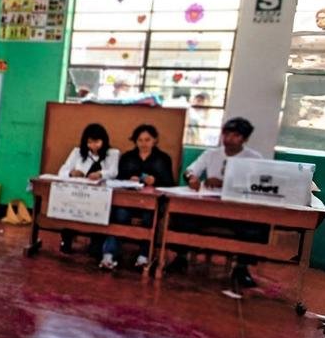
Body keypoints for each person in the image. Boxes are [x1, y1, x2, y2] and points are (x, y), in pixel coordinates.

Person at [179, 116, 265, 287]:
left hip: (238, 211)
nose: (228, 139)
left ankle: (242, 268)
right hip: (209, 208)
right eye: (226, 134)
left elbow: (257, 186)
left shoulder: (254, 158)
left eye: (235, 136)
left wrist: (225, 183)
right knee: (182, 219)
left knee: (254, 229)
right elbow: (190, 170)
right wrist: (192, 178)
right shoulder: (211, 154)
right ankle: (180, 258)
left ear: (245, 139)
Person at [99, 124, 175, 271]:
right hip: (128, 202)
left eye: (147, 140)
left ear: (155, 140)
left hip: (152, 204)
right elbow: (117, 180)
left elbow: (170, 185)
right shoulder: (128, 157)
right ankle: (109, 254)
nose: (143, 144)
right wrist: (129, 180)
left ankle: (144, 256)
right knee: (119, 214)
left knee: (149, 218)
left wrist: (155, 181)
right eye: (140, 140)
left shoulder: (163, 159)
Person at [56, 123, 118, 254]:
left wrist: (100, 174)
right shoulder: (77, 152)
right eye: (89, 142)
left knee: (100, 214)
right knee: (70, 208)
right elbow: (62, 170)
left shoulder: (112, 153)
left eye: (96, 142)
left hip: (100, 197)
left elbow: (113, 172)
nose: (93, 146)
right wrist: (71, 173)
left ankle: (97, 242)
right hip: (78, 195)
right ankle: (66, 239)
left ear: (103, 140)